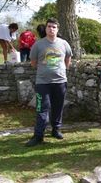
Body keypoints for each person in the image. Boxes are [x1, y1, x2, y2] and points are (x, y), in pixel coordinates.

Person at [25, 18, 72, 147]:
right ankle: (38, 135)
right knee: (42, 108)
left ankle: (56, 129)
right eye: (49, 26)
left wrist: (63, 70)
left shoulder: (64, 44)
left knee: (58, 106)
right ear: (45, 29)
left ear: (57, 29)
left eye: (54, 27)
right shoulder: (38, 45)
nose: (51, 29)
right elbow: (33, 63)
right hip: (43, 82)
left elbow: (68, 59)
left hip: (60, 81)